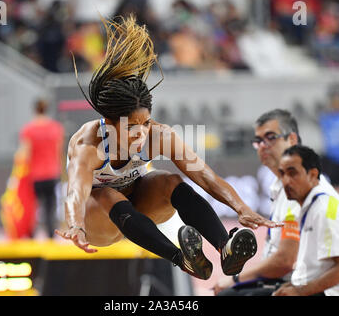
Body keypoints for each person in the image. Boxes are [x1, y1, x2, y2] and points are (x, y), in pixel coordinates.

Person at [54, 15, 281, 280]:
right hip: (98, 221)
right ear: (109, 124)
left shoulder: (158, 135)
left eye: (146, 123)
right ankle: (180, 258)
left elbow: (206, 176)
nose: (141, 134)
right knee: (108, 195)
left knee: (170, 179)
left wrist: (241, 208)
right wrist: (75, 225)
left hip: (141, 209)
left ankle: (225, 247)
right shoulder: (88, 145)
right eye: (131, 128)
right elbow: (76, 193)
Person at [215, 109, 303, 295]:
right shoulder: (279, 187)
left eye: (271, 138)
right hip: (283, 282)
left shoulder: (299, 189)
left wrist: (237, 278)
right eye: (258, 141)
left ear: (292, 140)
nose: (263, 146)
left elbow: (285, 262)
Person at [273, 145, 339, 296]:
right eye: (282, 174)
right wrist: (291, 286)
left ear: (312, 174)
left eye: (292, 173)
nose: (286, 181)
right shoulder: (308, 207)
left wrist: (298, 291)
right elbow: (315, 269)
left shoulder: (324, 209)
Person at [18, 99, 65, 238]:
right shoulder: (56, 128)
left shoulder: (28, 129)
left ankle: (31, 235)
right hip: (52, 173)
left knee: (33, 207)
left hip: (35, 175)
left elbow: (25, 154)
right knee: (51, 207)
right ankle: (51, 236)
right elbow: (59, 152)